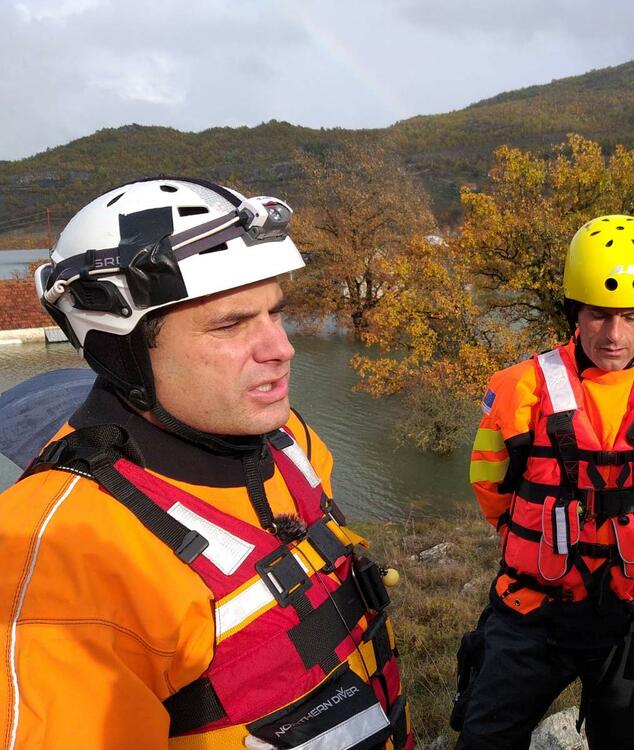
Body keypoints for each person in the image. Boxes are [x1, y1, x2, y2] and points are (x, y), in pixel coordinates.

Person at [0, 178, 412, 750]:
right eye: (231, 324)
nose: (281, 347)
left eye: (274, 313)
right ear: (122, 349)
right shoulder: (62, 559)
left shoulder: (289, 443)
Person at [455, 215, 634, 750]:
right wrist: (528, 540)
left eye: (631, 316)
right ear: (574, 311)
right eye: (598, 315)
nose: (613, 335)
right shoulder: (517, 388)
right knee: (486, 738)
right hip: (532, 606)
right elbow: (489, 482)